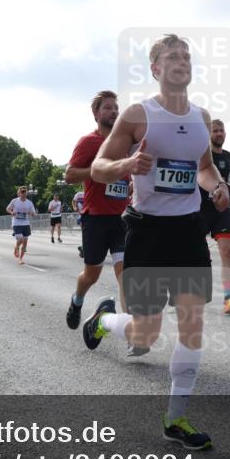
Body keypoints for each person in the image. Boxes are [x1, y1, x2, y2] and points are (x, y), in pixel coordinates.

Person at [83, 33, 230, 450]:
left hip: (187, 231)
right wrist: (128, 163)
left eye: (187, 54)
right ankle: (104, 320)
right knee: (143, 336)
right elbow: (98, 168)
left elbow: (202, 168)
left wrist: (216, 185)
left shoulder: (202, 118)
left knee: (191, 324)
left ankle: (176, 419)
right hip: (146, 229)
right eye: (172, 56)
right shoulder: (138, 115)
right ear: (156, 69)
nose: (182, 60)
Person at [64, 89, 131, 329]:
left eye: (116, 107)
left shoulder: (125, 143)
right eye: (108, 107)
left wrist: (129, 183)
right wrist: (99, 170)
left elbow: (127, 175)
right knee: (91, 275)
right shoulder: (89, 141)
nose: (114, 111)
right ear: (96, 113)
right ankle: (77, 300)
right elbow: (70, 174)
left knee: (126, 274)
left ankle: (130, 330)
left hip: (122, 218)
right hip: (96, 219)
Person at [201, 119, 230, 313]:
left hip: (221, 210)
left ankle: (228, 298)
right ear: (209, 134)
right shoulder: (203, 154)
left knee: (227, 251)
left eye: (221, 130)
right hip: (200, 208)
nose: (219, 133)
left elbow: (223, 181)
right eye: (215, 131)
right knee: (196, 254)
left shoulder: (228, 156)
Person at [6, 186, 37, 264]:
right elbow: (7, 208)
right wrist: (12, 212)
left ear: (26, 193)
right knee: (21, 239)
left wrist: (33, 214)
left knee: (25, 243)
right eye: (22, 192)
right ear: (19, 193)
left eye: (25, 192)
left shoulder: (29, 202)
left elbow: (33, 212)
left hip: (25, 223)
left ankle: (20, 259)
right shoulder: (14, 201)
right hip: (16, 223)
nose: (23, 193)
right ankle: (16, 247)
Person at [72, 190, 86, 258]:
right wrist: (74, 207)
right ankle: (83, 248)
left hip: (91, 215)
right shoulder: (79, 194)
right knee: (84, 232)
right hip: (82, 215)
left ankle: (83, 247)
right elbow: (73, 201)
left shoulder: (92, 192)